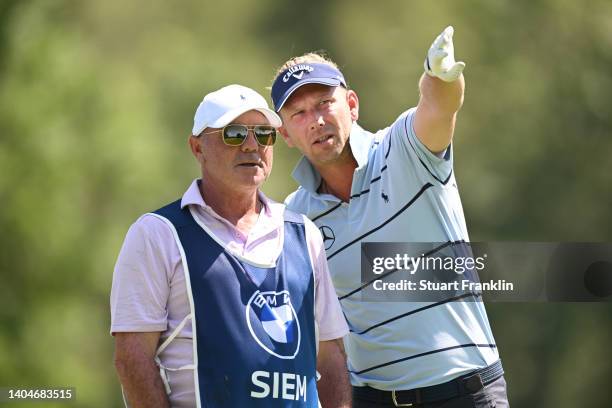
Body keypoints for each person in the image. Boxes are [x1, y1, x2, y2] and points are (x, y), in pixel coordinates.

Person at [270, 26, 509, 407]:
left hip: (464, 390)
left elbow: (437, 108)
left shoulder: (402, 149)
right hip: (373, 399)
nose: (314, 120)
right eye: (299, 113)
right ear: (285, 134)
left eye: (323, 103)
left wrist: (441, 76)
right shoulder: (296, 217)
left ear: (351, 104)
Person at [110, 84, 351, 408]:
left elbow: (330, 356)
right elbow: (132, 359)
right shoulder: (158, 234)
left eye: (264, 134)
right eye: (234, 134)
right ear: (198, 148)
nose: (252, 145)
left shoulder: (304, 234)